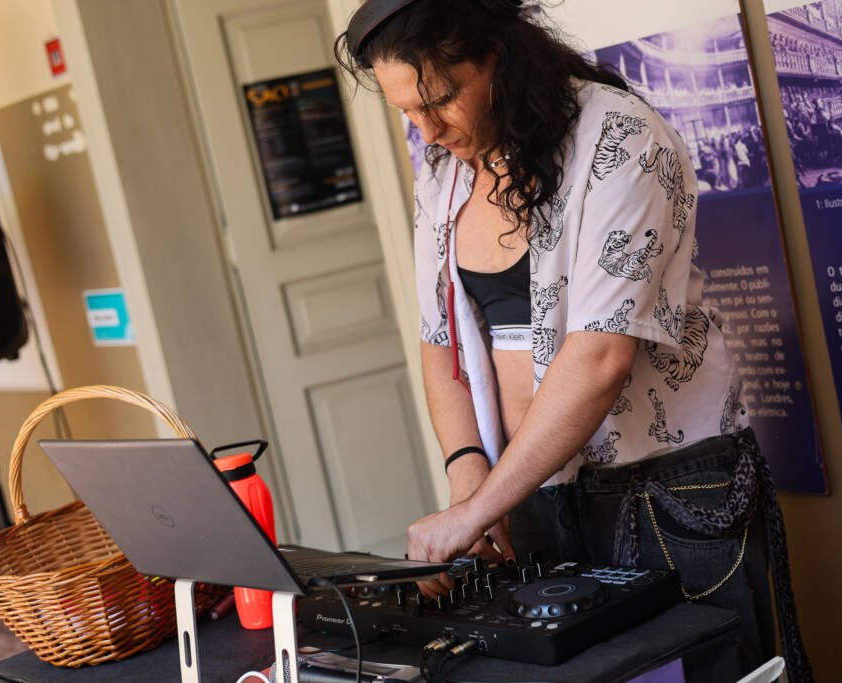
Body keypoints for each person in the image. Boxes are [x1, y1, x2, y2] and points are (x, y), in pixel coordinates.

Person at [336, 1, 811, 680]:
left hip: (665, 493)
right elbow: (438, 339)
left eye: (440, 100)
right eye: (406, 111)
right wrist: (469, 468)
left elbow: (599, 358)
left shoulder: (621, 137)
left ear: (499, 55)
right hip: (526, 495)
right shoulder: (444, 173)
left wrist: (480, 505)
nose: (426, 129)